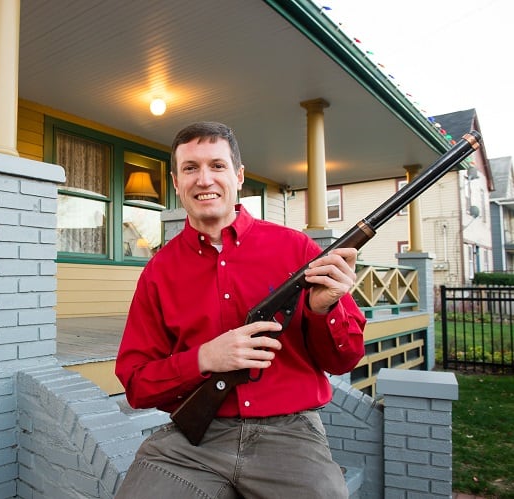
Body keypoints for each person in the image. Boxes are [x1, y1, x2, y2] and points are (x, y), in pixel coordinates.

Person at [114, 121, 366, 498]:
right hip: (194, 442)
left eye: (217, 165)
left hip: (290, 434)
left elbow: (345, 359)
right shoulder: (158, 272)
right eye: (190, 168)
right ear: (176, 181)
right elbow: (135, 382)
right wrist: (205, 357)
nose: (204, 179)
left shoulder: (296, 249)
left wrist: (323, 309)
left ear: (239, 176)